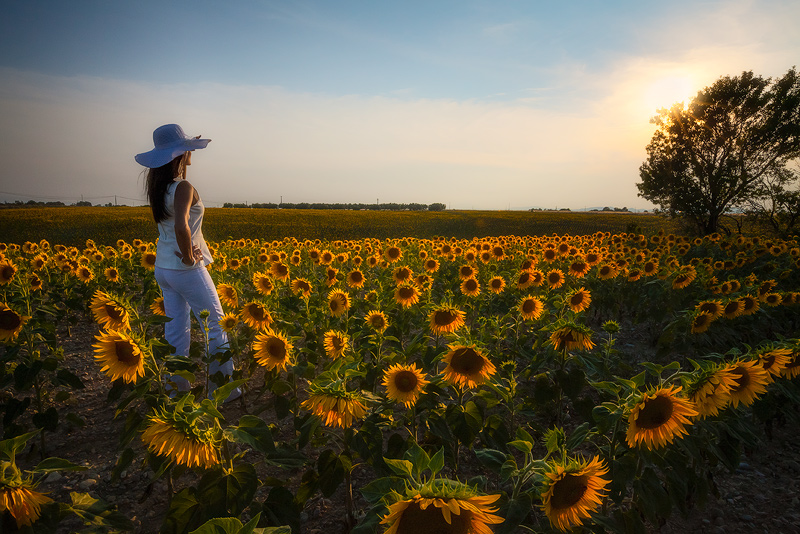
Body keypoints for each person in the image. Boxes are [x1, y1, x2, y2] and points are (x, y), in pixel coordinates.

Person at [135, 123, 240, 402]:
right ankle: (224, 390)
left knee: (176, 329)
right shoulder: (183, 187)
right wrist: (189, 255)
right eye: (186, 149)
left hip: (163, 268)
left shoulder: (160, 187)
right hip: (185, 268)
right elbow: (182, 225)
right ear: (180, 154)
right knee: (217, 326)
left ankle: (175, 388)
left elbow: (173, 225)